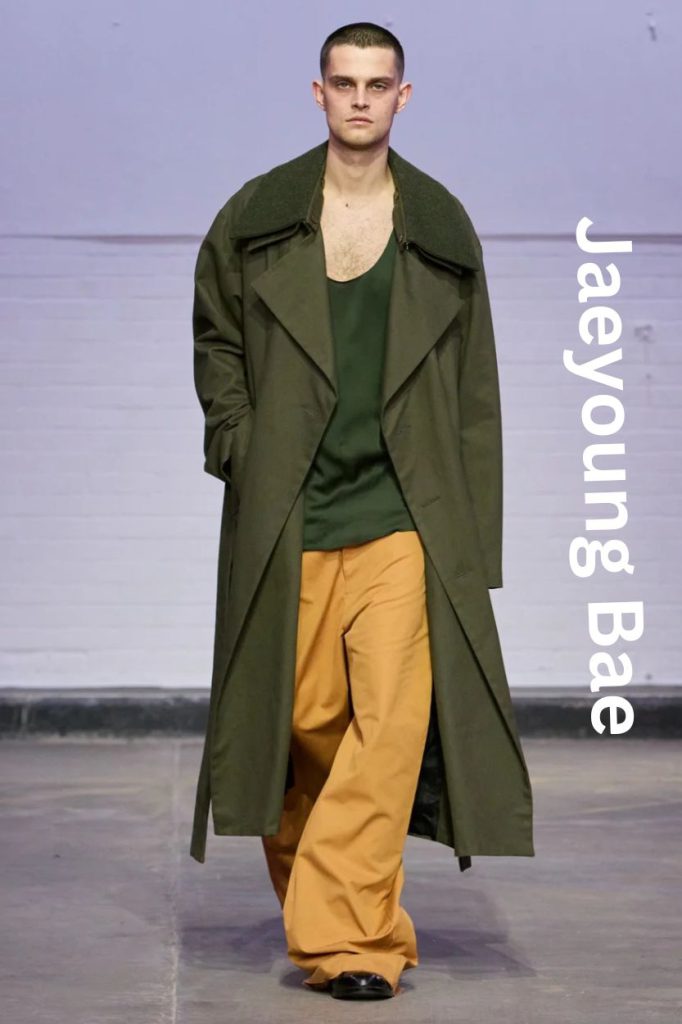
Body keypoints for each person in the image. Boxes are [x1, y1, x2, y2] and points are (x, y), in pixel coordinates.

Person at [190, 20, 535, 1002]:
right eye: (343, 83)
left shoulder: (439, 228)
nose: (359, 100)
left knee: (388, 735)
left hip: (401, 519)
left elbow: (474, 394)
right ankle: (347, 913)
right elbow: (216, 338)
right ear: (319, 93)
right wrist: (238, 440)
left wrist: (471, 544)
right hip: (290, 515)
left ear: (401, 96)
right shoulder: (256, 217)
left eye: (377, 85)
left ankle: (352, 945)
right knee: (301, 729)